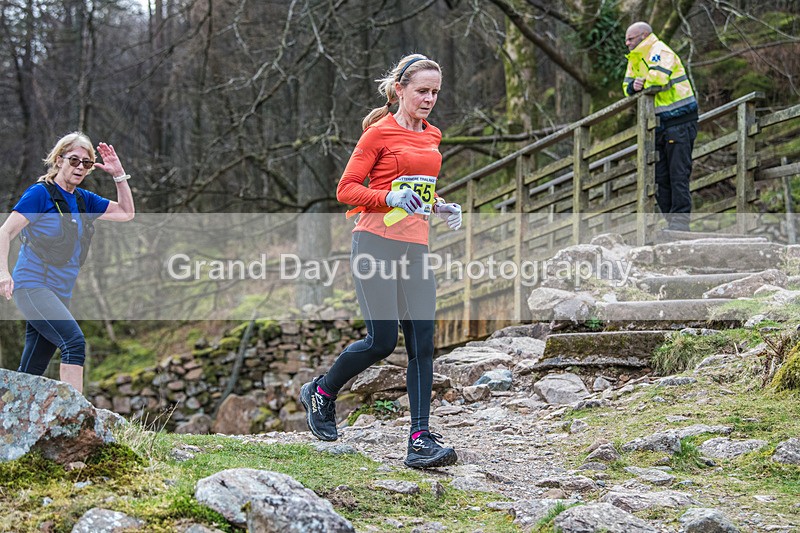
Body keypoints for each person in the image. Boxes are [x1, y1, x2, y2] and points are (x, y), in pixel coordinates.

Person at [299, 54, 462, 469]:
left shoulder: (432, 136)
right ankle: (322, 392)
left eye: (435, 92)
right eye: (422, 91)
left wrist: (441, 207)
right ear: (400, 90)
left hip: (416, 246)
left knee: (423, 344)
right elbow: (346, 190)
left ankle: (420, 439)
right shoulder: (378, 134)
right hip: (375, 242)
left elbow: (419, 191)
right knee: (382, 341)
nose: (429, 99)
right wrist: (386, 197)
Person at [0, 132, 135, 393]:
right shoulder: (40, 194)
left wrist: (118, 175)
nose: (80, 167)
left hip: (61, 293)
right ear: (59, 160)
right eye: (74, 160)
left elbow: (126, 213)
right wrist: (3, 273)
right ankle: (76, 418)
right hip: (32, 286)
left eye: (86, 163)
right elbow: (5, 232)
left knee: (31, 371)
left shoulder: (84, 200)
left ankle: (8, 423)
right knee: (74, 343)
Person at [624, 21, 698, 232]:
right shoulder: (634, 59)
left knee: (678, 174)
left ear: (644, 36)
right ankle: (671, 223)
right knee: (659, 177)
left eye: (631, 38)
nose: (627, 43)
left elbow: (659, 78)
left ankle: (680, 225)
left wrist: (641, 82)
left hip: (680, 120)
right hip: (657, 124)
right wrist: (633, 86)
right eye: (627, 39)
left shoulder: (660, 50)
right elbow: (626, 86)